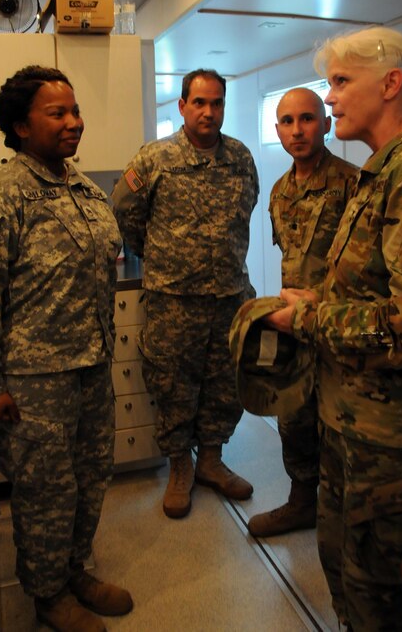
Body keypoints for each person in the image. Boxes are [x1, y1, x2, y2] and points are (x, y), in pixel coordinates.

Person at [261, 27, 402, 631]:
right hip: (351, 427)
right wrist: (322, 297)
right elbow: (376, 292)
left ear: (390, 85)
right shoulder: (383, 175)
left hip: (394, 447)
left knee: (383, 603)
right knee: (345, 580)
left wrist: (308, 316)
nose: (328, 99)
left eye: (340, 82)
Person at [0, 66, 132, 632]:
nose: (73, 123)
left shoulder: (81, 189)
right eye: (57, 113)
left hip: (90, 367)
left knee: (88, 479)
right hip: (34, 381)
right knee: (43, 494)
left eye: (75, 111)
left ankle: (74, 569)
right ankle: (46, 593)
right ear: (19, 126)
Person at [112, 68, 259, 519]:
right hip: (174, 300)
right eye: (199, 102)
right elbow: (124, 211)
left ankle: (211, 460)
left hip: (229, 295)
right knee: (173, 385)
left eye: (216, 103)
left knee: (224, 384)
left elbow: (246, 209)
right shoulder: (154, 158)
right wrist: (157, 253)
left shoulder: (240, 157)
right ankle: (180, 468)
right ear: (182, 106)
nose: (208, 112)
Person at [248, 88, 358, 537]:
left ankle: (344, 515)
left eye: (308, 119)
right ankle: (301, 502)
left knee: (338, 424)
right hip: (293, 325)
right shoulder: (280, 191)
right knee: (293, 416)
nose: (298, 130)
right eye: (288, 121)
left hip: (337, 325)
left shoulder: (354, 184)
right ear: (277, 131)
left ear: (326, 123)